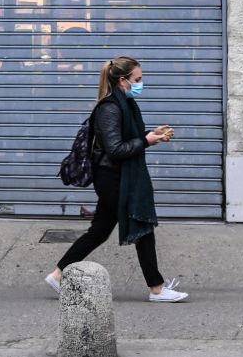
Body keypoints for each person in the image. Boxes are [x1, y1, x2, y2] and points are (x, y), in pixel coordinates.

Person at [45, 56, 188, 302]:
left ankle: (57, 275)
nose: (141, 83)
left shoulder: (125, 104)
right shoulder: (109, 108)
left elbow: (126, 139)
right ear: (123, 80)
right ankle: (156, 288)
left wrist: (151, 135)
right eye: (137, 79)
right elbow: (115, 149)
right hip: (113, 178)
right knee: (142, 227)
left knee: (99, 231)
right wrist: (146, 141)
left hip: (117, 176)